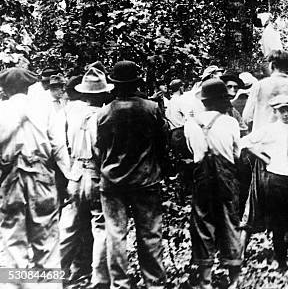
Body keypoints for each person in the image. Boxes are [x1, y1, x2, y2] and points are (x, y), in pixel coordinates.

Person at [96, 61, 168, 289]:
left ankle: (120, 284)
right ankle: (154, 283)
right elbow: (161, 144)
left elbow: (100, 148)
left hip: (112, 182)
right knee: (150, 234)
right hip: (146, 180)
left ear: (115, 85)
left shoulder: (104, 113)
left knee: (115, 234)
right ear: (137, 82)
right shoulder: (151, 109)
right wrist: (164, 170)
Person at [0, 68, 70, 282]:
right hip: (40, 173)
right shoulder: (45, 107)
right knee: (46, 239)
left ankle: (14, 285)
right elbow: (58, 145)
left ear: (5, 89)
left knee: (13, 240)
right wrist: (69, 177)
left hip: (9, 174)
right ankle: (48, 286)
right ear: (29, 86)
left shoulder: (1, 110)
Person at [184, 78, 242, 289]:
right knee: (230, 223)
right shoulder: (231, 123)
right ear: (222, 100)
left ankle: (205, 281)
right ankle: (234, 280)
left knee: (202, 225)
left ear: (205, 101)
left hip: (202, 179)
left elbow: (193, 151)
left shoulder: (191, 124)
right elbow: (237, 154)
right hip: (226, 177)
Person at [240, 95, 288, 270]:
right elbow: (244, 142)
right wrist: (263, 156)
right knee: (279, 223)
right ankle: (282, 262)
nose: (286, 114)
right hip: (276, 179)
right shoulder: (269, 130)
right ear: (275, 112)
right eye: (282, 110)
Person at [60, 67, 112, 289]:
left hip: (75, 173)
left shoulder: (71, 112)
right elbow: (103, 150)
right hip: (94, 172)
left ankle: (55, 275)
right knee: (100, 226)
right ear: (101, 94)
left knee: (68, 226)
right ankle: (99, 279)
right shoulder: (103, 116)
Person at [242, 50, 288, 133]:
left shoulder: (259, 86)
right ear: (287, 66)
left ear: (272, 65)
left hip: (264, 139)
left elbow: (247, 117)